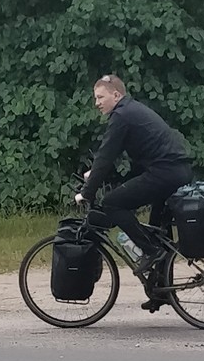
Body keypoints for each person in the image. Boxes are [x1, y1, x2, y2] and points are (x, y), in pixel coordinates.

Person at [75, 76, 195, 302]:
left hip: (165, 173)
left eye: (100, 97)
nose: (97, 103)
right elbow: (119, 159)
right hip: (175, 171)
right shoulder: (131, 111)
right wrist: (97, 174)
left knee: (112, 203)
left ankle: (150, 252)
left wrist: (87, 192)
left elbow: (106, 154)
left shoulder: (121, 116)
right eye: (95, 98)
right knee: (157, 231)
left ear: (116, 95)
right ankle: (162, 292)